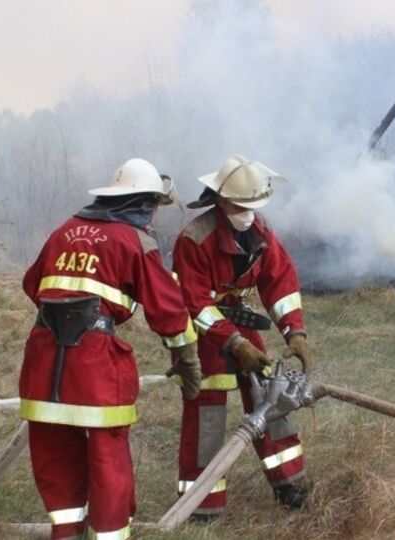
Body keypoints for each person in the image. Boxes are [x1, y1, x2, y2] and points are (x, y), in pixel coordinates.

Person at [19, 158, 201, 540]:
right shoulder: (135, 241)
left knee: (55, 455)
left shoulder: (64, 230)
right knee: (107, 457)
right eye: (154, 206)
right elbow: (169, 310)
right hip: (95, 363)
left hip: (42, 359)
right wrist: (186, 358)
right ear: (146, 203)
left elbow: (32, 284)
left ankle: (66, 532)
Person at [171, 155, 314, 521]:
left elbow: (279, 282)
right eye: (241, 206)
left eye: (254, 206)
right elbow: (196, 304)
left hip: (244, 322)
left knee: (272, 400)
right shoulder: (195, 239)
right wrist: (234, 343)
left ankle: (290, 484)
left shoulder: (260, 232)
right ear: (221, 201)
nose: (249, 213)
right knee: (207, 418)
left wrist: (293, 330)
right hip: (206, 334)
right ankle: (202, 504)